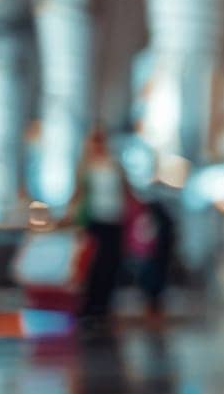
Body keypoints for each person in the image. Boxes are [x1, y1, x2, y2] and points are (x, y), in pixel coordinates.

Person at [65, 129, 132, 326]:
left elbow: (126, 190)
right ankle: (90, 304)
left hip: (115, 218)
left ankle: (104, 304)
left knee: (111, 262)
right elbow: (79, 193)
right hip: (94, 219)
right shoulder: (86, 167)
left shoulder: (114, 165)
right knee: (93, 262)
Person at [133, 197, 176, 318]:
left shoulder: (158, 219)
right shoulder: (158, 218)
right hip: (153, 255)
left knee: (153, 281)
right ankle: (152, 305)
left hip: (155, 256)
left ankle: (153, 306)